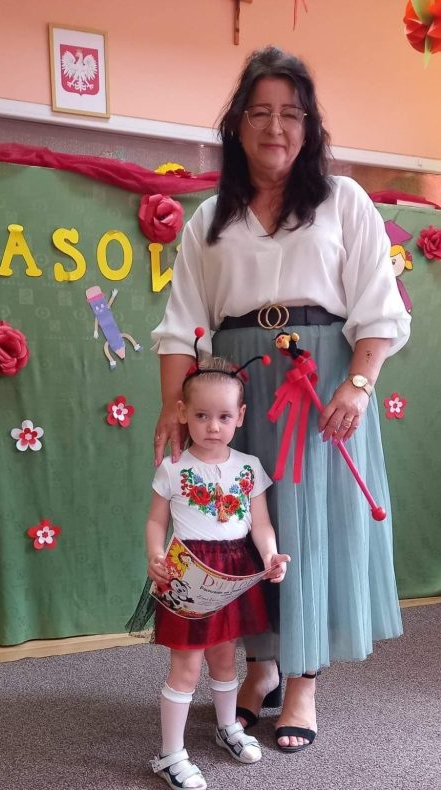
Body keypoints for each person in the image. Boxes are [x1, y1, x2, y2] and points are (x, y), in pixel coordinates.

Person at [151, 46, 411, 753]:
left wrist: (358, 383)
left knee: (306, 528)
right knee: (239, 527)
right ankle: (260, 667)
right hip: (233, 389)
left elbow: (378, 308)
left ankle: (301, 682)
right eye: (260, 112)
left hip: (317, 383)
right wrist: (173, 406)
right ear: (237, 125)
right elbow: (180, 324)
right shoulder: (209, 218)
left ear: (309, 126)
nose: (276, 127)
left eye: (291, 114)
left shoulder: (343, 200)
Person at [132, 351, 288, 790]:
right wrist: (154, 554)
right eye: (201, 415)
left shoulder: (248, 467)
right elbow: (156, 521)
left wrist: (270, 556)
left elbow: (260, 523)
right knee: (186, 665)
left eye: (223, 416)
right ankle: (171, 754)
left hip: (234, 574)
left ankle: (227, 727)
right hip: (188, 574)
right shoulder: (173, 467)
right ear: (183, 413)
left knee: (224, 656)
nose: (213, 426)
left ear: (240, 416)